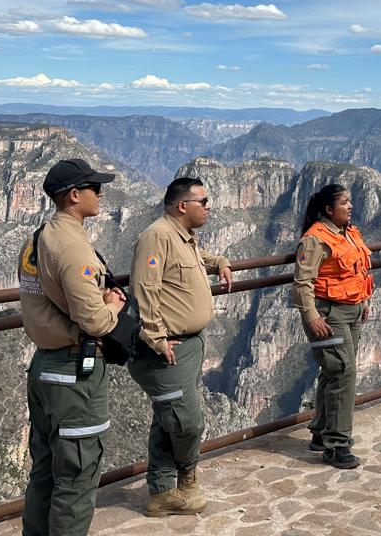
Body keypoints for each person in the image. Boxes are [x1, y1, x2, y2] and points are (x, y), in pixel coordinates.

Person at [17, 158, 127, 536]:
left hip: (44, 367)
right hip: (73, 374)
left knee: (45, 471)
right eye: (95, 187)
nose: (101, 193)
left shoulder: (36, 239)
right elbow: (95, 321)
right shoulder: (73, 247)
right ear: (74, 195)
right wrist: (113, 306)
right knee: (77, 477)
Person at [127, 176, 233, 516]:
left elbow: (195, 259)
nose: (209, 206)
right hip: (167, 350)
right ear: (182, 206)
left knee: (167, 418)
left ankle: (162, 492)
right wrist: (156, 338)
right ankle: (186, 478)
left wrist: (220, 263)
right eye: (204, 201)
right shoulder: (157, 236)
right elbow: (144, 288)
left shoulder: (182, 236)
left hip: (188, 346)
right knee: (187, 423)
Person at [292, 183, 373, 469]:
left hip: (352, 310)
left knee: (334, 371)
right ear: (329, 209)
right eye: (344, 203)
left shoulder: (350, 233)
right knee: (343, 373)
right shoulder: (314, 239)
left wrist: (364, 300)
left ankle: (321, 432)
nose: (350, 206)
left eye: (350, 201)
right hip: (329, 314)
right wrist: (312, 317)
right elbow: (303, 282)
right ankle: (337, 446)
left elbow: (358, 270)